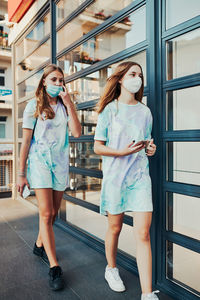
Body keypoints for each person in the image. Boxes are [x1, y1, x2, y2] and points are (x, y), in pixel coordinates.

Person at [94, 62, 158, 300]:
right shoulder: (109, 110)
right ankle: (111, 269)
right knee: (115, 227)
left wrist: (150, 149)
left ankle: (147, 293)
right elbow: (98, 147)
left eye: (140, 75)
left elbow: (147, 141)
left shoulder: (145, 112)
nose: (137, 79)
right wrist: (121, 152)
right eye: (132, 74)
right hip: (115, 179)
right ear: (120, 79)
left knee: (143, 234)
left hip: (140, 178)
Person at [17, 64, 81, 291]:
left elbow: (77, 132)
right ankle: (54, 267)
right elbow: (25, 142)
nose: (58, 84)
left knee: (53, 214)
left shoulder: (65, 106)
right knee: (45, 213)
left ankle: (38, 244)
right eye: (53, 79)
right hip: (40, 163)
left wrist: (69, 103)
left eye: (61, 80)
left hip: (60, 164)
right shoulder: (32, 106)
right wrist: (21, 174)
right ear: (44, 81)